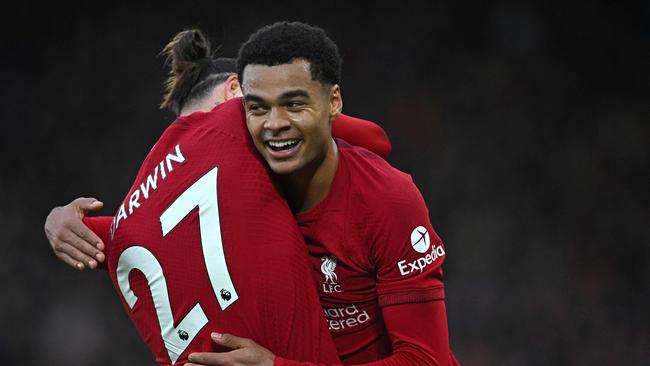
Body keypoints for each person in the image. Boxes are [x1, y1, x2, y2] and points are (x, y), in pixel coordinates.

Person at [45, 29, 344, 366]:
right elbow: (368, 138)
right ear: (236, 90)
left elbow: (84, 233)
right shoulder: (233, 122)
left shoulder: (129, 216)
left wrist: (55, 219)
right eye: (259, 102)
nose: (270, 118)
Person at [184, 22, 459, 366]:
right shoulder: (237, 186)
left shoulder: (386, 201)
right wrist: (95, 234)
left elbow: (425, 361)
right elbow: (159, 228)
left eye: (294, 104)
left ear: (334, 101)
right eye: (258, 108)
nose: (274, 123)